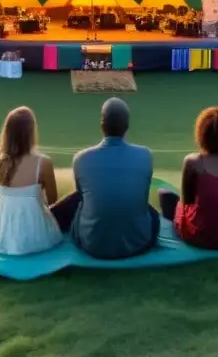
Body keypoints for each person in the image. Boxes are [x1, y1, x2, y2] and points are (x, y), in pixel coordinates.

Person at [51, 98, 160, 259]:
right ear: (127, 126)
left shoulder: (81, 159)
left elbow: (81, 198)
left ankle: (48, 218)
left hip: (92, 245)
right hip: (139, 244)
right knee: (151, 213)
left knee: (79, 200)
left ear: (102, 125)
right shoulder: (146, 155)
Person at [157, 107, 218, 249]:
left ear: (202, 135)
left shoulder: (194, 162)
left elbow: (186, 202)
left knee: (164, 194)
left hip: (200, 237)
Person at [0, 107, 63, 255]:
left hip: (0, 233)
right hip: (34, 238)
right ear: (31, 132)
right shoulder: (43, 162)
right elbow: (53, 201)